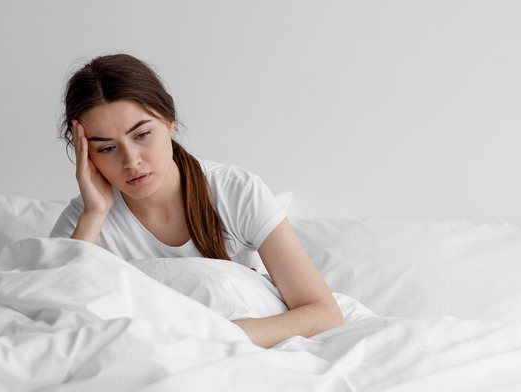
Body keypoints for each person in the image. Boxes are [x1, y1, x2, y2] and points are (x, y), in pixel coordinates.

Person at [50, 53, 344, 348]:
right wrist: (94, 215)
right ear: (85, 154)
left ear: (169, 122)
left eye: (142, 135)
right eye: (107, 149)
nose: (131, 161)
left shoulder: (236, 192)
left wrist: (212, 337)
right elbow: (53, 315)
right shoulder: (85, 219)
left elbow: (324, 313)